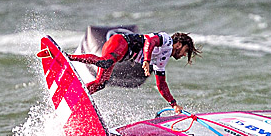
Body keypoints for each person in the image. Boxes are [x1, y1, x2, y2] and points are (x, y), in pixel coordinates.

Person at [65, 31, 200, 113]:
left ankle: (77, 98)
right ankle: (67, 57)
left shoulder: (163, 59)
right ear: (179, 44)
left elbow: (161, 84)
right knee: (105, 62)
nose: (183, 55)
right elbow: (150, 41)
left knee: (100, 83)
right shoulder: (166, 40)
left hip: (121, 54)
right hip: (121, 42)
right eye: (185, 51)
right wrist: (146, 60)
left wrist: (173, 104)